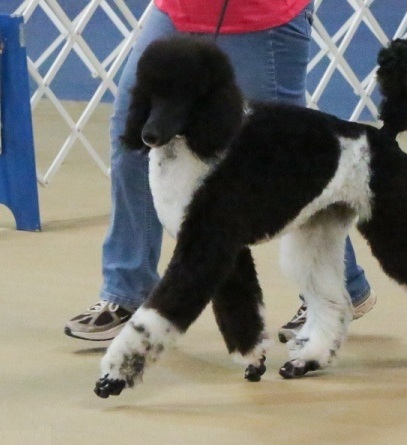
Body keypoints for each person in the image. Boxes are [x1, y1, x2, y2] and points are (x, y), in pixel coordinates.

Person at [64, 0, 376, 343]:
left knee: (288, 155)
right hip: (177, 9)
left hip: (261, 15)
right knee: (133, 136)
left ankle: (344, 289)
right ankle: (126, 291)